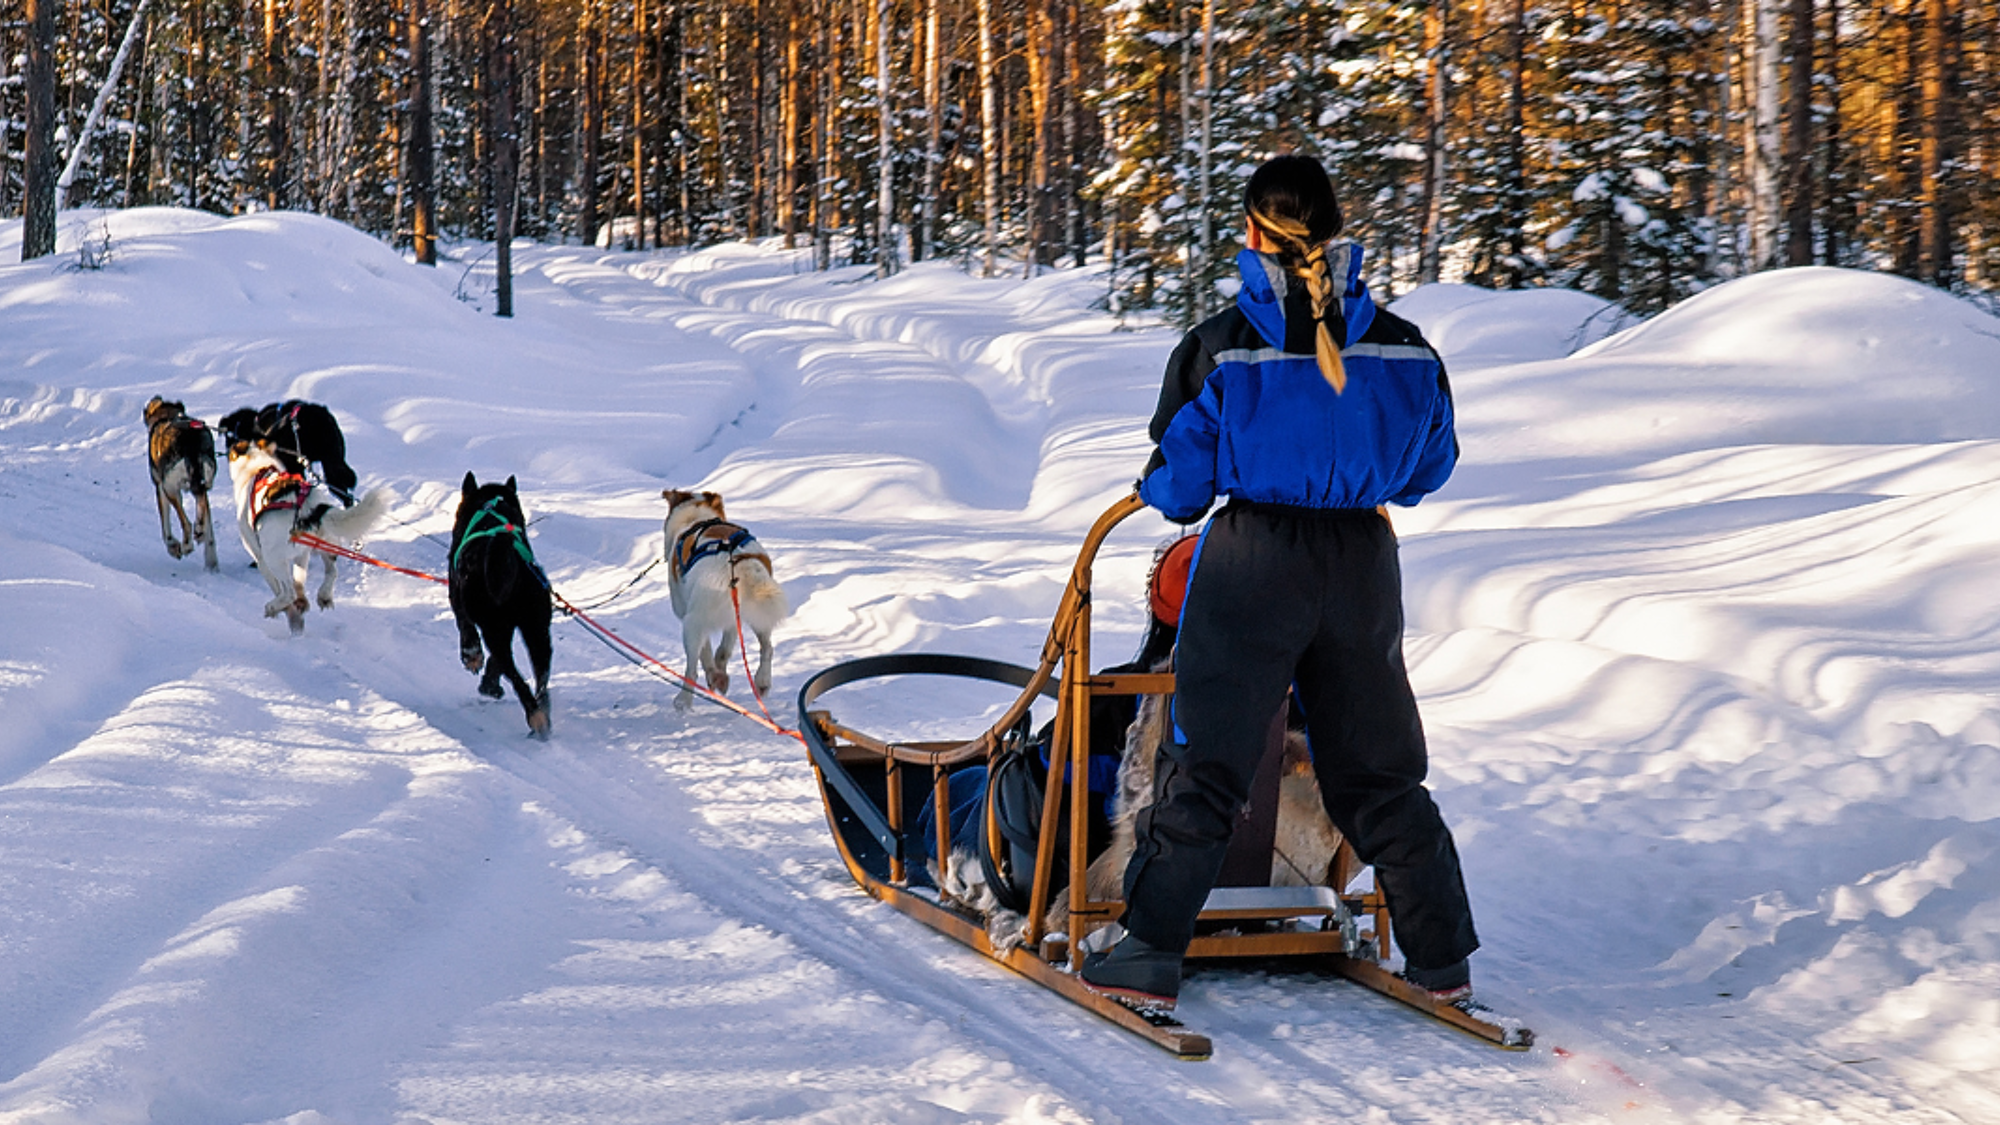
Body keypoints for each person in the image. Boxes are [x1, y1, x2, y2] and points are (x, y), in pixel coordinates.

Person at [1078, 154, 1477, 1010]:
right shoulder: (1406, 350)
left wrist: (1159, 487)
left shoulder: (1223, 344)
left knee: (1209, 760)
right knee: (1378, 770)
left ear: (1252, 233)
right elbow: (1427, 470)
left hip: (1254, 560)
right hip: (1364, 564)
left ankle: (1149, 949)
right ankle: (1442, 960)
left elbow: (1181, 485)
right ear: (1338, 232)